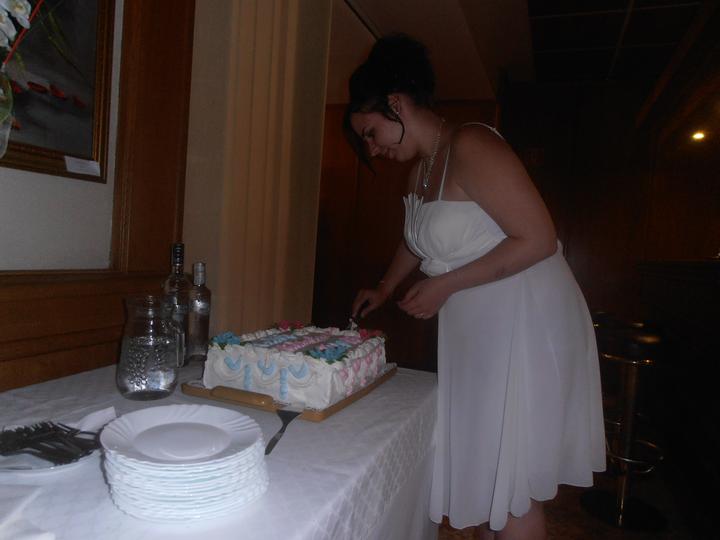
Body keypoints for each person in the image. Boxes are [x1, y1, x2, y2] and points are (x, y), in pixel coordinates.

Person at [346, 34, 606, 540]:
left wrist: (444, 286)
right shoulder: (421, 172)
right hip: (481, 325)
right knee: (489, 469)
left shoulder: (472, 144)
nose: (372, 148)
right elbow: (417, 239)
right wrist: (385, 287)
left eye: (371, 133)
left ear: (396, 104)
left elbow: (539, 238)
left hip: (525, 319)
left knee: (512, 482)